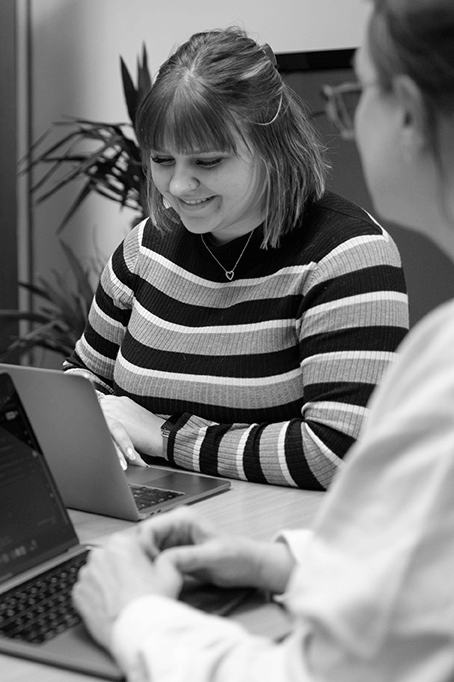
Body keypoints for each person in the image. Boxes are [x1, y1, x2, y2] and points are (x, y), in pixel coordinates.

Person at [73, 0, 454, 681]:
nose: (180, 187)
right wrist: (289, 563)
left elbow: (338, 671)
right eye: (165, 162)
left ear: (412, 118)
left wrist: (136, 616)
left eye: (356, 93)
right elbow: (441, 571)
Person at [64, 27, 408, 490]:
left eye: (207, 163)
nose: (180, 187)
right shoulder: (145, 247)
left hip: (275, 543)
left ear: (272, 149)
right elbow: (80, 383)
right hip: (145, 517)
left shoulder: (347, 256)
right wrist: (92, 417)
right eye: (163, 160)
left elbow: (337, 453)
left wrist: (166, 437)